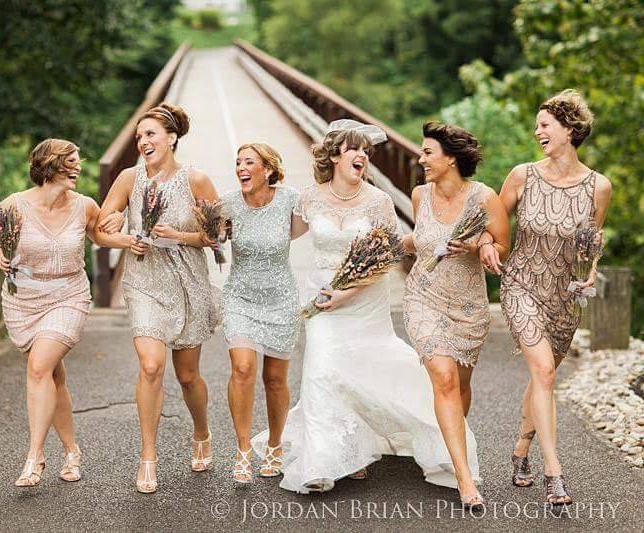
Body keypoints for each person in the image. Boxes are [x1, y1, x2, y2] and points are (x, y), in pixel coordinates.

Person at [254, 120, 480, 500]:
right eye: (354, 149)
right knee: (323, 370)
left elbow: (388, 254)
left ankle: (431, 435)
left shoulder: (378, 201)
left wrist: (347, 293)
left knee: (368, 368)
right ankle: (324, 461)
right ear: (335, 156)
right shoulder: (309, 197)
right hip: (322, 297)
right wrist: (247, 212)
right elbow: (282, 233)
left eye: (366, 151)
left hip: (364, 299)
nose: (362, 156)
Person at [482, 89, 612, 506]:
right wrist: (487, 244)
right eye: (537, 125)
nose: (537, 131)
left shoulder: (599, 187)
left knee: (543, 376)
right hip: (521, 284)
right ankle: (554, 472)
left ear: (569, 130)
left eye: (545, 125)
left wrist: (588, 275)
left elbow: (590, 244)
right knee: (544, 371)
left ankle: (520, 450)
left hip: (564, 297)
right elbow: (494, 226)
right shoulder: (522, 175)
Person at [0, 138, 125, 487]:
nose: (79, 168)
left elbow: (102, 235)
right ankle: (72, 451)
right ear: (49, 166)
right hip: (22, 300)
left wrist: (128, 236)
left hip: (68, 295)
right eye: (71, 162)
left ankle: (34, 456)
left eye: (78, 161)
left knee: (39, 367)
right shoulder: (14, 205)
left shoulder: (85, 205)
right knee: (53, 377)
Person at [98, 103, 220, 493]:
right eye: (139, 136)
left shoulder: (196, 180)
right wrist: (123, 236)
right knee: (151, 366)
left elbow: (217, 234)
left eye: (150, 134)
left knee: (187, 376)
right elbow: (99, 229)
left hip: (187, 283)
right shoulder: (128, 179)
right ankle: (147, 456)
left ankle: (201, 431)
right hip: (145, 281)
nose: (142, 141)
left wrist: (178, 237)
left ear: (171, 138)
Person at [403, 121, 510, 508]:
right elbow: (418, 240)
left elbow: (502, 243)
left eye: (428, 153)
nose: (421, 159)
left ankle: (447, 446)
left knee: (460, 387)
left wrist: (481, 243)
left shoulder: (484, 197)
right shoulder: (419, 196)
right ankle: (465, 481)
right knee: (444, 378)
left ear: (451, 158)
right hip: (423, 297)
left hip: (468, 306)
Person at [221, 143, 300, 483]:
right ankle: (242, 450)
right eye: (238, 162)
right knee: (242, 368)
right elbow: (210, 236)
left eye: (249, 162)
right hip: (240, 297)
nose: (241, 167)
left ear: (268, 170)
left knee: (275, 379)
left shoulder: (290, 200)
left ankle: (275, 445)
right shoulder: (228, 203)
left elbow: (303, 231)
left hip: (281, 299)